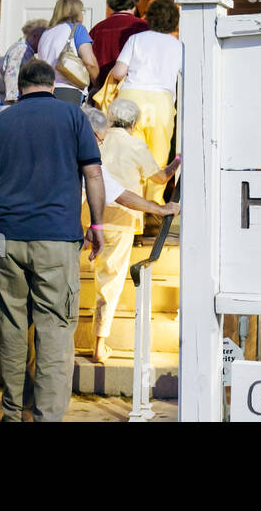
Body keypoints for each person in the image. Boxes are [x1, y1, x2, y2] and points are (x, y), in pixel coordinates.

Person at [0, 59, 107, 422]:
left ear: (19, 86)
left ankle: (12, 413)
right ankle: (47, 416)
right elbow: (93, 173)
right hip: (56, 237)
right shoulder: (73, 117)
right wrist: (97, 225)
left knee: (12, 328)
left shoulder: (0, 122)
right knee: (54, 330)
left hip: (6, 237)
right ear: (52, 85)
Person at [83, 105, 179, 364]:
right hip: (121, 217)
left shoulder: (92, 140)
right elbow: (158, 179)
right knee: (110, 281)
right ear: (134, 123)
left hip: (86, 215)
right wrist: (175, 164)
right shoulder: (135, 145)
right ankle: (99, 343)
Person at [102, 0, 182, 175]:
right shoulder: (178, 46)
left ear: (150, 17)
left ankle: (130, 200)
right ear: (174, 21)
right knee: (158, 158)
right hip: (161, 102)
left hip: (131, 99)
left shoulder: (135, 39)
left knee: (127, 155)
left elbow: (119, 72)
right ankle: (153, 200)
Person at [88, 0, 148, 105]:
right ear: (134, 3)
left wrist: (97, 85)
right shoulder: (144, 27)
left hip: (103, 92)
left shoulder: (97, 29)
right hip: (134, 91)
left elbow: (89, 61)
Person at [36, 0, 100, 107]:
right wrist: (98, 85)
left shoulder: (46, 34)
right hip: (69, 91)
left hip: (45, 90)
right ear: (76, 12)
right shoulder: (77, 29)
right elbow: (90, 62)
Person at [0, 18, 49, 118]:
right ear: (36, 35)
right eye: (44, 39)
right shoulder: (20, 50)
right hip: (9, 109)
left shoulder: (27, 52)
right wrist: (16, 100)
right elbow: (12, 75)